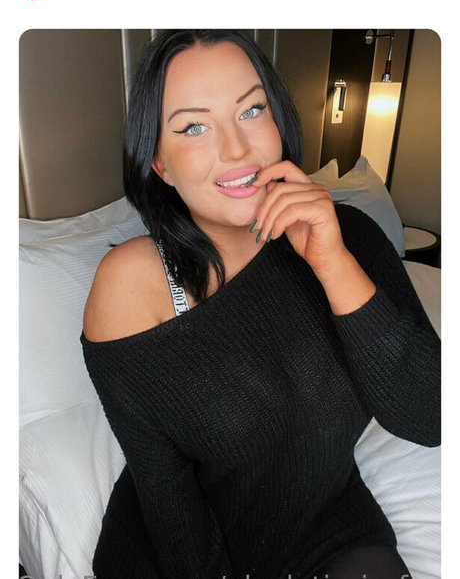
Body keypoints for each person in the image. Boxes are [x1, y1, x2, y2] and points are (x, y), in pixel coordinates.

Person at [81, 29, 440, 579]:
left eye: (251, 110)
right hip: (189, 551)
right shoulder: (133, 283)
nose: (236, 149)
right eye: (194, 127)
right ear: (160, 164)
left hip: (329, 523)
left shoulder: (350, 237)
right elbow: (163, 486)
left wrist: (332, 263)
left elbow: (430, 417)